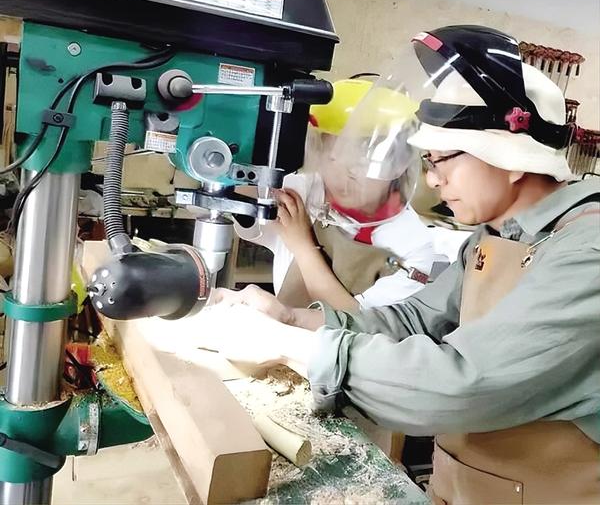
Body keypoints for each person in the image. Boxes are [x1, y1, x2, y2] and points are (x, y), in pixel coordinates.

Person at [199, 25, 600, 504]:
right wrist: (292, 319)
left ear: (513, 157)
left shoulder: (586, 253)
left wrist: (289, 347)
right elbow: (414, 322)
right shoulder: (495, 235)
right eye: (427, 161)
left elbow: (460, 384)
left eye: (442, 159)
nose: (431, 179)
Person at [235, 77, 436, 311]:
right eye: (331, 156)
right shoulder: (302, 192)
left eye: (360, 161)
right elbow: (241, 193)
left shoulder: (414, 242)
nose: (342, 175)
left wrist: (303, 246)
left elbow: (359, 322)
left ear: (397, 162)